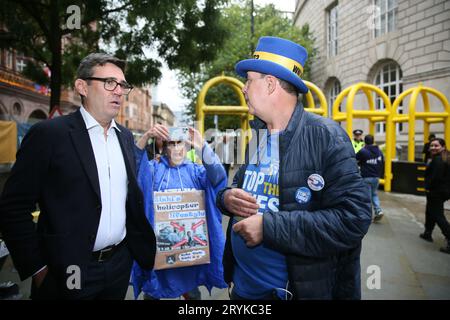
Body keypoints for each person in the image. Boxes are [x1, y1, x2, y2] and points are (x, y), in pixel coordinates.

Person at [215, 36, 371, 300]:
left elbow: (353, 219)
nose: (243, 89)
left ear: (271, 84)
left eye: (249, 80)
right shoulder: (259, 135)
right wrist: (226, 198)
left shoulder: (326, 136)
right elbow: (240, 186)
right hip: (242, 289)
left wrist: (270, 228)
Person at [0, 53, 156, 300]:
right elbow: (13, 207)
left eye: (123, 85)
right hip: (67, 273)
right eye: (109, 83)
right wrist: (39, 270)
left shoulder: (125, 138)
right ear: (82, 86)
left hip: (118, 267)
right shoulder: (50, 135)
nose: (118, 91)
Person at [132, 125, 228, 299]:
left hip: (189, 259)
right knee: (153, 292)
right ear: (164, 147)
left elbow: (219, 176)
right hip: (159, 255)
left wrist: (202, 147)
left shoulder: (196, 171)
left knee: (192, 293)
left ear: (186, 146)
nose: (176, 148)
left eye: (180, 143)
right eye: (171, 143)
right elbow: (134, 168)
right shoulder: (153, 169)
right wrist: (146, 135)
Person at [419, 138, 450, 254]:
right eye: (431, 146)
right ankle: (428, 233)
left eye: (436, 146)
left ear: (443, 146)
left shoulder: (438, 160)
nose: (433, 148)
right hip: (441, 191)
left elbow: (435, 178)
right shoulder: (444, 157)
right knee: (430, 211)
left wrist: (428, 188)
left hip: (436, 192)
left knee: (438, 215)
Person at [356, 135, 384, 222]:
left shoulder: (363, 151)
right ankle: (378, 210)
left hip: (366, 177)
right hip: (376, 177)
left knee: (366, 197)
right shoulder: (379, 151)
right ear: (373, 141)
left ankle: (367, 215)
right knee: (374, 194)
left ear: (365, 141)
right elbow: (382, 162)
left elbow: (355, 159)